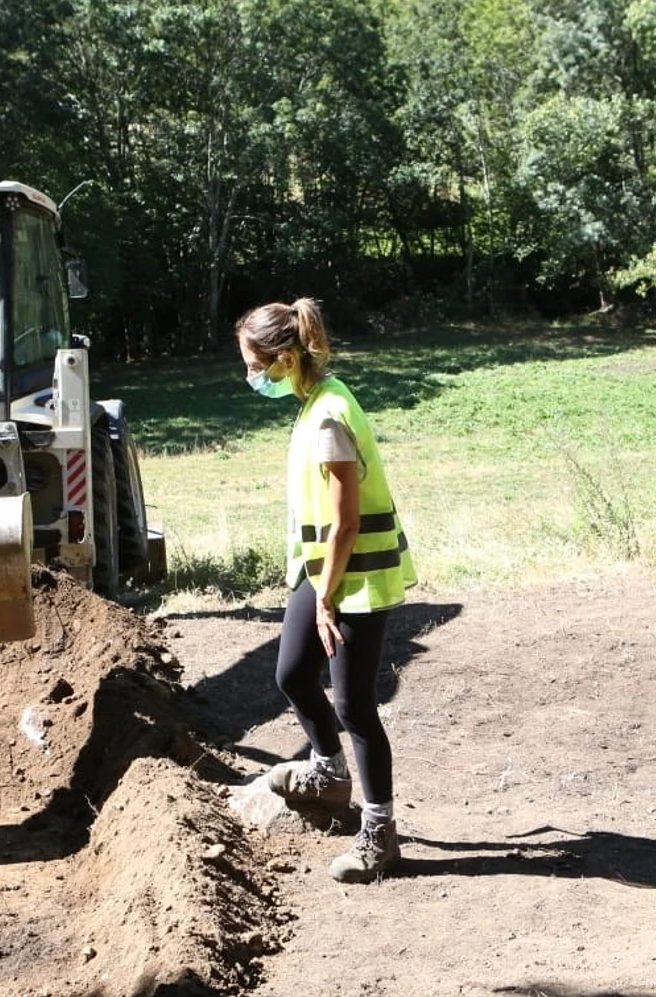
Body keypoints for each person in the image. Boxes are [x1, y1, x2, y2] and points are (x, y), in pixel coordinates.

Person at [236, 298, 416, 883]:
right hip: (324, 574)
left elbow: (346, 521)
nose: (250, 376)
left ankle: (379, 834)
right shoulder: (312, 403)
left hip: (354, 578)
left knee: (354, 706)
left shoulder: (331, 412)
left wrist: (327, 598)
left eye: (254, 364)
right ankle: (330, 774)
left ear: (285, 358)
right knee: (291, 674)